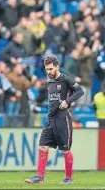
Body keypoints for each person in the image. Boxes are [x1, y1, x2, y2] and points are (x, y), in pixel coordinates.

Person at [25, 56, 84, 185]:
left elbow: (80, 91)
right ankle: (40, 177)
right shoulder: (49, 81)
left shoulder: (65, 79)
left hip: (62, 118)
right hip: (50, 119)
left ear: (57, 66)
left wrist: (67, 102)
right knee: (42, 146)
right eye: (47, 69)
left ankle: (69, 178)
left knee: (65, 150)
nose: (49, 72)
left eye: (51, 69)